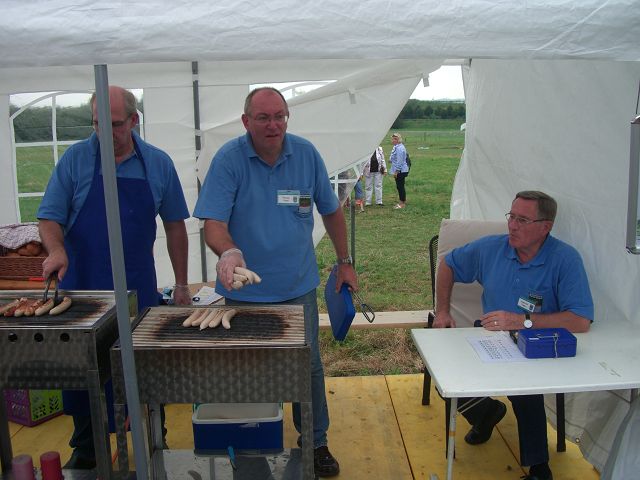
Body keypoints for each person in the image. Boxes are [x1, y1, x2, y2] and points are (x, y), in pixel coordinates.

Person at [193, 87, 358, 478]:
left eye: (279, 116)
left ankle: (315, 442)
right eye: (263, 117)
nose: (273, 125)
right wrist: (229, 252)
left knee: (308, 367)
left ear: (287, 117)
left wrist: (345, 262)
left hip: (297, 286)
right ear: (246, 121)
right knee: (247, 369)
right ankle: (250, 443)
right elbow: (213, 223)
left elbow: (331, 211)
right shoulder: (230, 159)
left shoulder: (305, 154)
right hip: (244, 293)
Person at [37, 85, 191, 469]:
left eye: (115, 124)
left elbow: (175, 226)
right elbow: (49, 217)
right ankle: (87, 449)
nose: (105, 133)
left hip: (138, 291)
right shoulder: (75, 160)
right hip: (83, 290)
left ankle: (154, 442)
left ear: (134, 120)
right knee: (83, 373)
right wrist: (56, 250)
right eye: (97, 124)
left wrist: (182, 284)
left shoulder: (157, 164)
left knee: (145, 372)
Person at [433, 191, 593, 480]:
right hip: (491, 335)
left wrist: (523, 321)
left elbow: (580, 320)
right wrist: (442, 311)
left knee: (524, 390)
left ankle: (538, 468)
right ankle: (485, 413)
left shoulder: (565, 259)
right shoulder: (492, 248)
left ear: (545, 227)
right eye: (511, 217)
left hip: (539, 343)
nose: (512, 226)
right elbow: (448, 264)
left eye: (522, 220)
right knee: (443, 369)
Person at [389, 133, 409, 209]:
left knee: (400, 186)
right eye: (392, 139)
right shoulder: (396, 147)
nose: (392, 140)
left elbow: (400, 161)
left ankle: (402, 203)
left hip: (401, 170)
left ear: (397, 140)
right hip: (400, 170)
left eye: (393, 139)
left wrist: (396, 171)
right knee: (400, 186)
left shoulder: (400, 148)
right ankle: (402, 200)